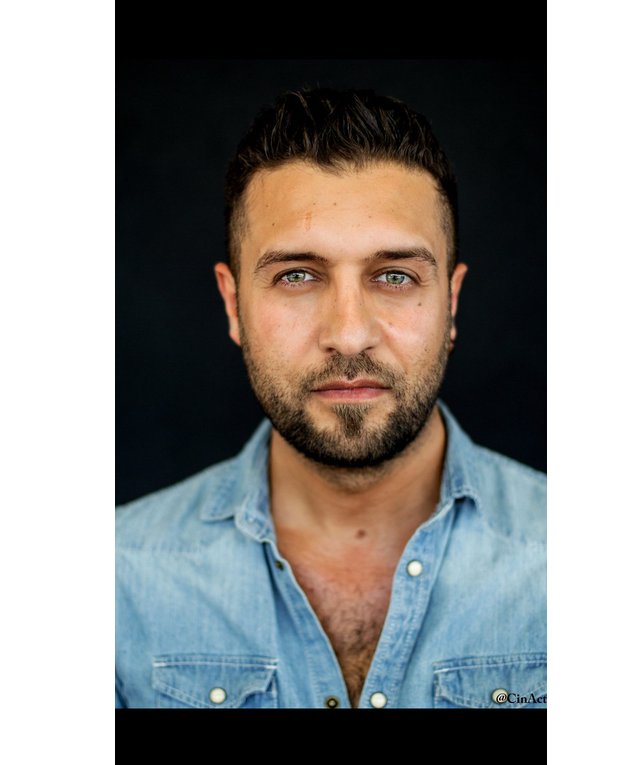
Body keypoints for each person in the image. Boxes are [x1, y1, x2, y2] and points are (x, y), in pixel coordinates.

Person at [115, 88, 545, 709]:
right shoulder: (119, 581)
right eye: (296, 276)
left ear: (451, 302)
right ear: (233, 304)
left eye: (394, 276)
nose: (348, 334)